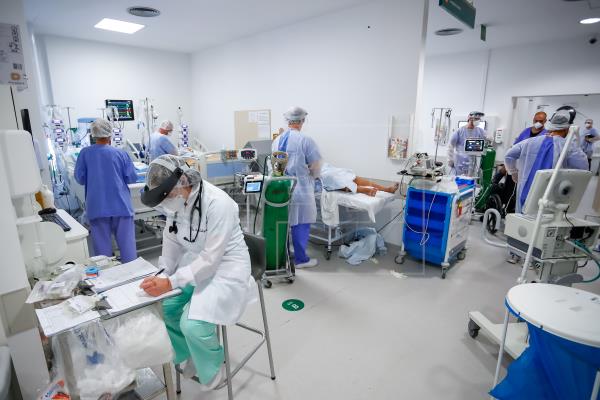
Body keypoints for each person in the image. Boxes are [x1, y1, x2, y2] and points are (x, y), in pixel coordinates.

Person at [138, 155, 255, 390]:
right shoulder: (178, 201)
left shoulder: (217, 203)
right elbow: (171, 241)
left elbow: (212, 260)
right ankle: (189, 354)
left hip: (226, 267)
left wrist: (171, 283)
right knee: (165, 309)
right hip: (195, 264)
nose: (166, 204)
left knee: (192, 325)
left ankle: (213, 367)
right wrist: (163, 275)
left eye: (168, 197)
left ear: (182, 182)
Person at [74, 119, 138, 262]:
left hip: (97, 207)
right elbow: (132, 178)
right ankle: (133, 276)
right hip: (121, 206)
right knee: (128, 248)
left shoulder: (85, 154)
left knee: (102, 254)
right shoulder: (120, 154)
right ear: (110, 135)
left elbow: (80, 178)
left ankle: (108, 279)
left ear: (93, 134)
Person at [505, 114, 588, 213]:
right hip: (552, 195)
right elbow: (583, 169)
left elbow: (509, 155)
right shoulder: (569, 147)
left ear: (549, 126)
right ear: (567, 129)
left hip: (525, 192)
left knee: (523, 221)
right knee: (544, 222)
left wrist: (514, 173)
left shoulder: (529, 142)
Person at [272, 106, 322, 269]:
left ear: (288, 121)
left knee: (283, 222)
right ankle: (301, 259)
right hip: (300, 188)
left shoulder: (276, 141)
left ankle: (284, 255)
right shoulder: (306, 140)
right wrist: (314, 177)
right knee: (301, 223)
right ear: (302, 121)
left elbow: (275, 166)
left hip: (280, 188)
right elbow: (315, 166)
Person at [447, 111, 488, 175]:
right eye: (476, 119)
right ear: (470, 119)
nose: (478, 121)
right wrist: (450, 160)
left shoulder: (480, 131)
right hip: (459, 162)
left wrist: (489, 139)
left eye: (479, 119)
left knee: (469, 181)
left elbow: (487, 139)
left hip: (472, 162)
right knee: (458, 181)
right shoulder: (460, 131)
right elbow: (450, 146)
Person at [320, 163, 398, 196]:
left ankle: (387, 189)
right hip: (318, 177)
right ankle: (363, 190)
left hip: (324, 169)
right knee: (331, 178)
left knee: (347, 176)